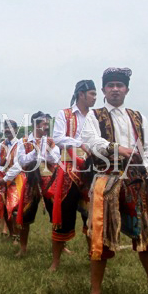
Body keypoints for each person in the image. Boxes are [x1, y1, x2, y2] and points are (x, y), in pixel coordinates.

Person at [80, 67, 148, 294]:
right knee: (100, 236)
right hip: (107, 179)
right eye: (110, 85)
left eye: (119, 85)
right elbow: (90, 141)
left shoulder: (138, 116)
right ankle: (96, 293)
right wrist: (117, 149)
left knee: (146, 234)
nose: (115, 89)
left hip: (136, 180)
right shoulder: (95, 115)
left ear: (127, 90)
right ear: (103, 90)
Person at [49, 79, 97, 270]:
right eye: (92, 94)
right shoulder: (65, 114)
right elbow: (58, 138)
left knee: (92, 216)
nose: (95, 97)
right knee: (62, 216)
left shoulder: (96, 116)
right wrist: (81, 144)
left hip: (91, 170)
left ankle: (92, 255)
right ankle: (55, 262)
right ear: (81, 94)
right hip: (69, 171)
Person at [4, 112, 59, 258]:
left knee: (56, 214)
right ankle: (23, 247)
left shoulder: (51, 141)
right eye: (44, 123)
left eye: (48, 123)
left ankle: (61, 246)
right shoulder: (24, 142)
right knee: (25, 214)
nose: (46, 126)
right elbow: (21, 161)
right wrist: (35, 153)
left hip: (49, 180)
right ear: (35, 124)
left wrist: (45, 150)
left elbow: (56, 159)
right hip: (31, 181)